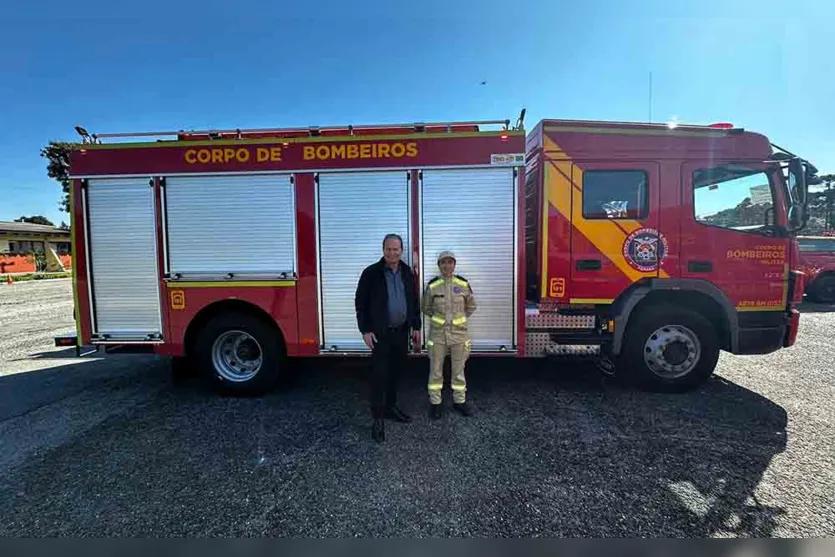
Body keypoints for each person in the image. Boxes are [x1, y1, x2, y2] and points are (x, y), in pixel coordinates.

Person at [355, 233, 421, 443]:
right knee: (379, 376)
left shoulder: (407, 272)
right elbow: (360, 303)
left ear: (402, 251)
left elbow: (413, 301)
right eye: (388, 249)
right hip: (380, 335)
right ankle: (377, 419)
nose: (392, 253)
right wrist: (365, 330)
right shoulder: (371, 273)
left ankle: (391, 408)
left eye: (396, 249)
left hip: (401, 333)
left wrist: (416, 326)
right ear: (383, 250)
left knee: (396, 372)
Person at [422, 251, 476, 419]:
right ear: (439, 266)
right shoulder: (432, 286)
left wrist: (459, 320)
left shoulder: (463, 284)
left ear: (454, 264)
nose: (447, 265)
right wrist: (440, 320)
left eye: (450, 262)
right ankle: (435, 404)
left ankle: (459, 402)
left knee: (458, 371)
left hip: (459, 336)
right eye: (443, 262)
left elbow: (471, 306)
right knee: (435, 372)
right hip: (438, 335)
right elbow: (426, 308)